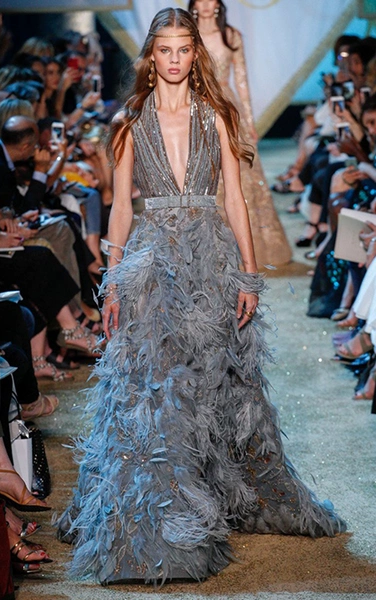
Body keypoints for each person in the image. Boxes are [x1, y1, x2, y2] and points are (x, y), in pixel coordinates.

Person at [57, 8, 345, 585]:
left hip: (210, 257)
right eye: (164, 49)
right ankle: (163, 520)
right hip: (151, 262)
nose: (174, 60)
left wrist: (248, 273)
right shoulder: (129, 120)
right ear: (151, 55)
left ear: (195, 54)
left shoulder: (217, 114)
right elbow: (119, 208)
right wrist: (113, 283)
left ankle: (212, 496)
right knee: (153, 387)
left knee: (217, 380)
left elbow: (234, 198)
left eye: (183, 49)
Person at [187, 0, 291, 267]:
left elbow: (241, 80)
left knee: (239, 173)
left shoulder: (231, 35)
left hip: (227, 104)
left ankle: (248, 247)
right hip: (195, 104)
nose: (206, 4)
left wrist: (249, 120)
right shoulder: (187, 35)